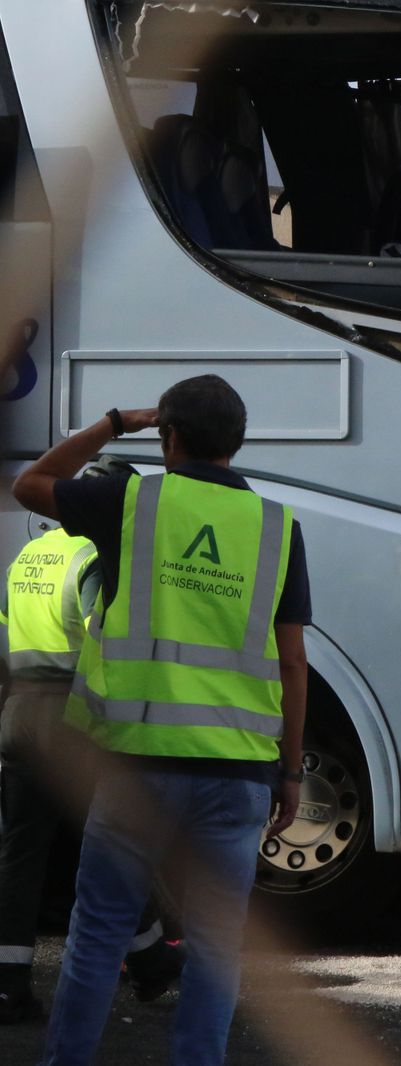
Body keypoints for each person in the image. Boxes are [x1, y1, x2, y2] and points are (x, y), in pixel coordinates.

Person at [12, 374, 311, 1066]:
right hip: (238, 773)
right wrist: (291, 771)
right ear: (237, 442)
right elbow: (292, 662)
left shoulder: (131, 501)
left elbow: (31, 484)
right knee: (216, 945)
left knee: (99, 934)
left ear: (168, 436)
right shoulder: (277, 527)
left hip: (137, 767)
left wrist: (116, 423)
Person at [0, 460, 182, 1024]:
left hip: (19, 712)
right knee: (115, 842)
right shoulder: (93, 559)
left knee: (20, 853)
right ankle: (151, 961)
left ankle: (9, 985)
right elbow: (103, 645)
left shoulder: (30, 554)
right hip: (72, 716)